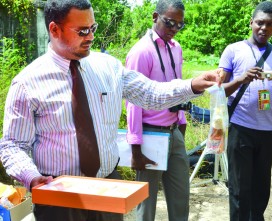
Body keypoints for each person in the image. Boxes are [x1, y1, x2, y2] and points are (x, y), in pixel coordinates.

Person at [0, 0, 223, 221]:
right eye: (82, 30)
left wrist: (192, 84)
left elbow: (150, 93)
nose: (91, 37)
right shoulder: (28, 83)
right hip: (58, 196)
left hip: (107, 188)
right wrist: (32, 178)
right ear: (54, 29)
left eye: (93, 28)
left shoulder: (108, 67)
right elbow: (12, 145)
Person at [219, 1, 272, 220]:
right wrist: (242, 79)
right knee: (240, 188)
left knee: (261, 188)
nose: (264, 28)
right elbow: (218, 90)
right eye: (260, 23)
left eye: (269, 24)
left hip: (268, 131)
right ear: (251, 22)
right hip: (240, 128)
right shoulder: (233, 50)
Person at [125, 0, 189, 220]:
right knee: (146, 202)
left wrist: (182, 122)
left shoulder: (176, 48)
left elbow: (178, 88)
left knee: (180, 197)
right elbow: (133, 101)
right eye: (169, 22)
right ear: (155, 17)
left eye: (179, 25)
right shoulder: (141, 52)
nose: (173, 29)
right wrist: (135, 147)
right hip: (150, 135)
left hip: (174, 131)